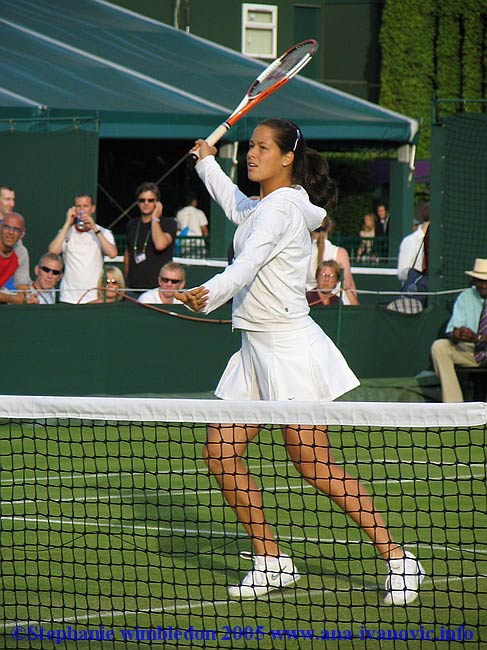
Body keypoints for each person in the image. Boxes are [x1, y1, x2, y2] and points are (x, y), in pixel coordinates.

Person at [177, 118, 424, 605]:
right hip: (253, 349)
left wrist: (209, 292)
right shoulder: (265, 206)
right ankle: (270, 560)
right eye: (249, 147)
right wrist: (208, 161)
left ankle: (399, 559)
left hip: (290, 347)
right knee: (221, 453)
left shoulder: (284, 210)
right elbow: (234, 204)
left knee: (313, 462)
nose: (251, 154)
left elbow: (246, 264)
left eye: (262, 147)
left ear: (287, 157)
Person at [431, 258, 487, 402]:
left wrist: (478, 338)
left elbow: (479, 337)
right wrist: (457, 335)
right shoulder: (465, 297)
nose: (484, 285)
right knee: (440, 347)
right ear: (474, 281)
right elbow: (452, 331)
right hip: (469, 351)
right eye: (480, 281)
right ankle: (455, 407)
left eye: (486, 281)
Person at [48, 193, 117, 304]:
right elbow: (53, 251)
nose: (82, 210)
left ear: (92, 208)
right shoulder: (66, 232)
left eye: (85, 206)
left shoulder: (103, 232)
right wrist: (67, 223)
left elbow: (112, 253)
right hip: (68, 296)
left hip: (93, 296)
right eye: (78, 206)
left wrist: (94, 228)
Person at [125, 182, 178, 295]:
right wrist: (127, 280)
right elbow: (128, 253)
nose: (146, 203)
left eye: (150, 200)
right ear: (137, 203)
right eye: (142, 200)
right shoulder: (132, 224)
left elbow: (160, 245)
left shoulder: (169, 223)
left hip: (157, 291)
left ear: (157, 203)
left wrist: (155, 219)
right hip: (133, 289)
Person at [305, 218, 357, 301]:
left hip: (309, 304)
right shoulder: (340, 253)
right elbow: (347, 285)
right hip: (337, 306)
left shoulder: (303, 254)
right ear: (329, 228)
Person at [0, 212, 31, 304]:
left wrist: (26, 298)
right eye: (7, 227)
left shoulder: (21, 253)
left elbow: (22, 288)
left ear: (22, 233)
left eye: (16, 229)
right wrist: (11, 298)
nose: (11, 232)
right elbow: (14, 298)